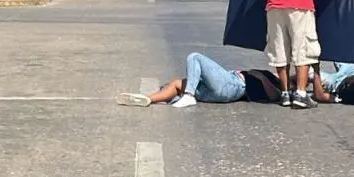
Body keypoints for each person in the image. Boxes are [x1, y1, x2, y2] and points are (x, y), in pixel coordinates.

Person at [115, 52, 285, 108]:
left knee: (194, 57)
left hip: (234, 85)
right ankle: (148, 99)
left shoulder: (278, 84)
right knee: (175, 83)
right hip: (219, 94)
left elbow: (278, 89)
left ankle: (188, 95)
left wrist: (262, 76)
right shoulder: (275, 80)